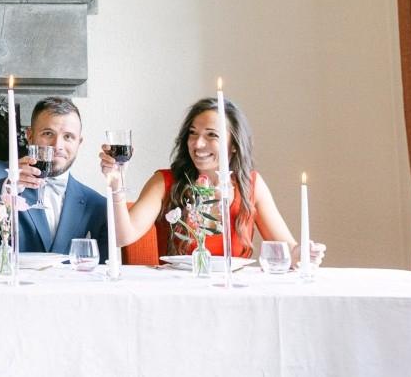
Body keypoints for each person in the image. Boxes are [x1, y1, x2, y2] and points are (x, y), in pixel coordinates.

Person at [99, 97, 326, 264]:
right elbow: (122, 236)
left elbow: (288, 248)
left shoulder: (251, 185)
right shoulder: (164, 181)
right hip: (178, 295)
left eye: (211, 135)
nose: (197, 144)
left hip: (235, 296)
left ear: (234, 145)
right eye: (193, 133)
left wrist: (303, 253)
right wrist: (116, 185)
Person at [0, 96, 108, 259]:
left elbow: (101, 271)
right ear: (30, 136)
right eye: (48, 133)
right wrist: (7, 185)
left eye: (68, 137)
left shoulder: (97, 205)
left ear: (79, 142)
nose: (57, 146)